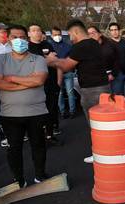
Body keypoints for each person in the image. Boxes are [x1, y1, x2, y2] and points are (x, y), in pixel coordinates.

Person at [0, 24, 49, 187]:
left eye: (23, 37)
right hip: (10, 114)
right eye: (14, 37)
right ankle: (19, 179)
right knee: (14, 148)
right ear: (8, 39)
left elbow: (39, 80)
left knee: (38, 145)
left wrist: (10, 78)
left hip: (37, 111)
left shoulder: (38, 59)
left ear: (28, 39)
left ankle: (40, 175)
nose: (19, 40)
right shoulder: (0, 59)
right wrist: (28, 82)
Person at [46, 19, 109, 163]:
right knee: (103, 123)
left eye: (70, 34)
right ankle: (104, 152)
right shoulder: (94, 43)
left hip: (91, 90)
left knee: (95, 124)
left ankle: (100, 154)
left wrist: (50, 61)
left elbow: (67, 65)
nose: (70, 38)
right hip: (102, 87)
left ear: (75, 32)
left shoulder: (80, 46)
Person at [28, 24, 61, 145]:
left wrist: (58, 81)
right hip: (35, 86)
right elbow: (30, 65)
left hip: (51, 83)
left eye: (39, 30)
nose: (37, 32)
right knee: (37, 113)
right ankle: (38, 138)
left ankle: (50, 135)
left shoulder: (48, 45)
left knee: (51, 111)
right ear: (29, 34)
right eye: (34, 30)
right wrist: (47, 59)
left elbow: (56, 62)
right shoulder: (27, 47)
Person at [50, 26, 75, 119]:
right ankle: (62, 111)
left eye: (58, 34)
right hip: (56, 74)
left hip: (68, 73)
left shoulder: (68, 46)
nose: (57, 36)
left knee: (70, 92)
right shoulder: (49, 46)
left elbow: (72, 59)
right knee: (59, 94)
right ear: (52, 35)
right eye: (55, 35)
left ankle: (72, 111)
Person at [88, 26, 120, 94]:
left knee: (114, 97)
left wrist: (113, 74)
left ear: (100, 34)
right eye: (89, 33)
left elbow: (117, 60)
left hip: (112, 77)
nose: (91, 35)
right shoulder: (89, 47)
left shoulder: (110, 45)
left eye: (93, 32)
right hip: (98, 79)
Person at [108, 22, 125, 101]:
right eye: (112, 30)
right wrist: (109, 73)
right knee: (117, 96)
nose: (114, 32)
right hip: (116, 75)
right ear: (109, 32)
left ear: (119, 31)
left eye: (115, 29)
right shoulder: (107, 44)